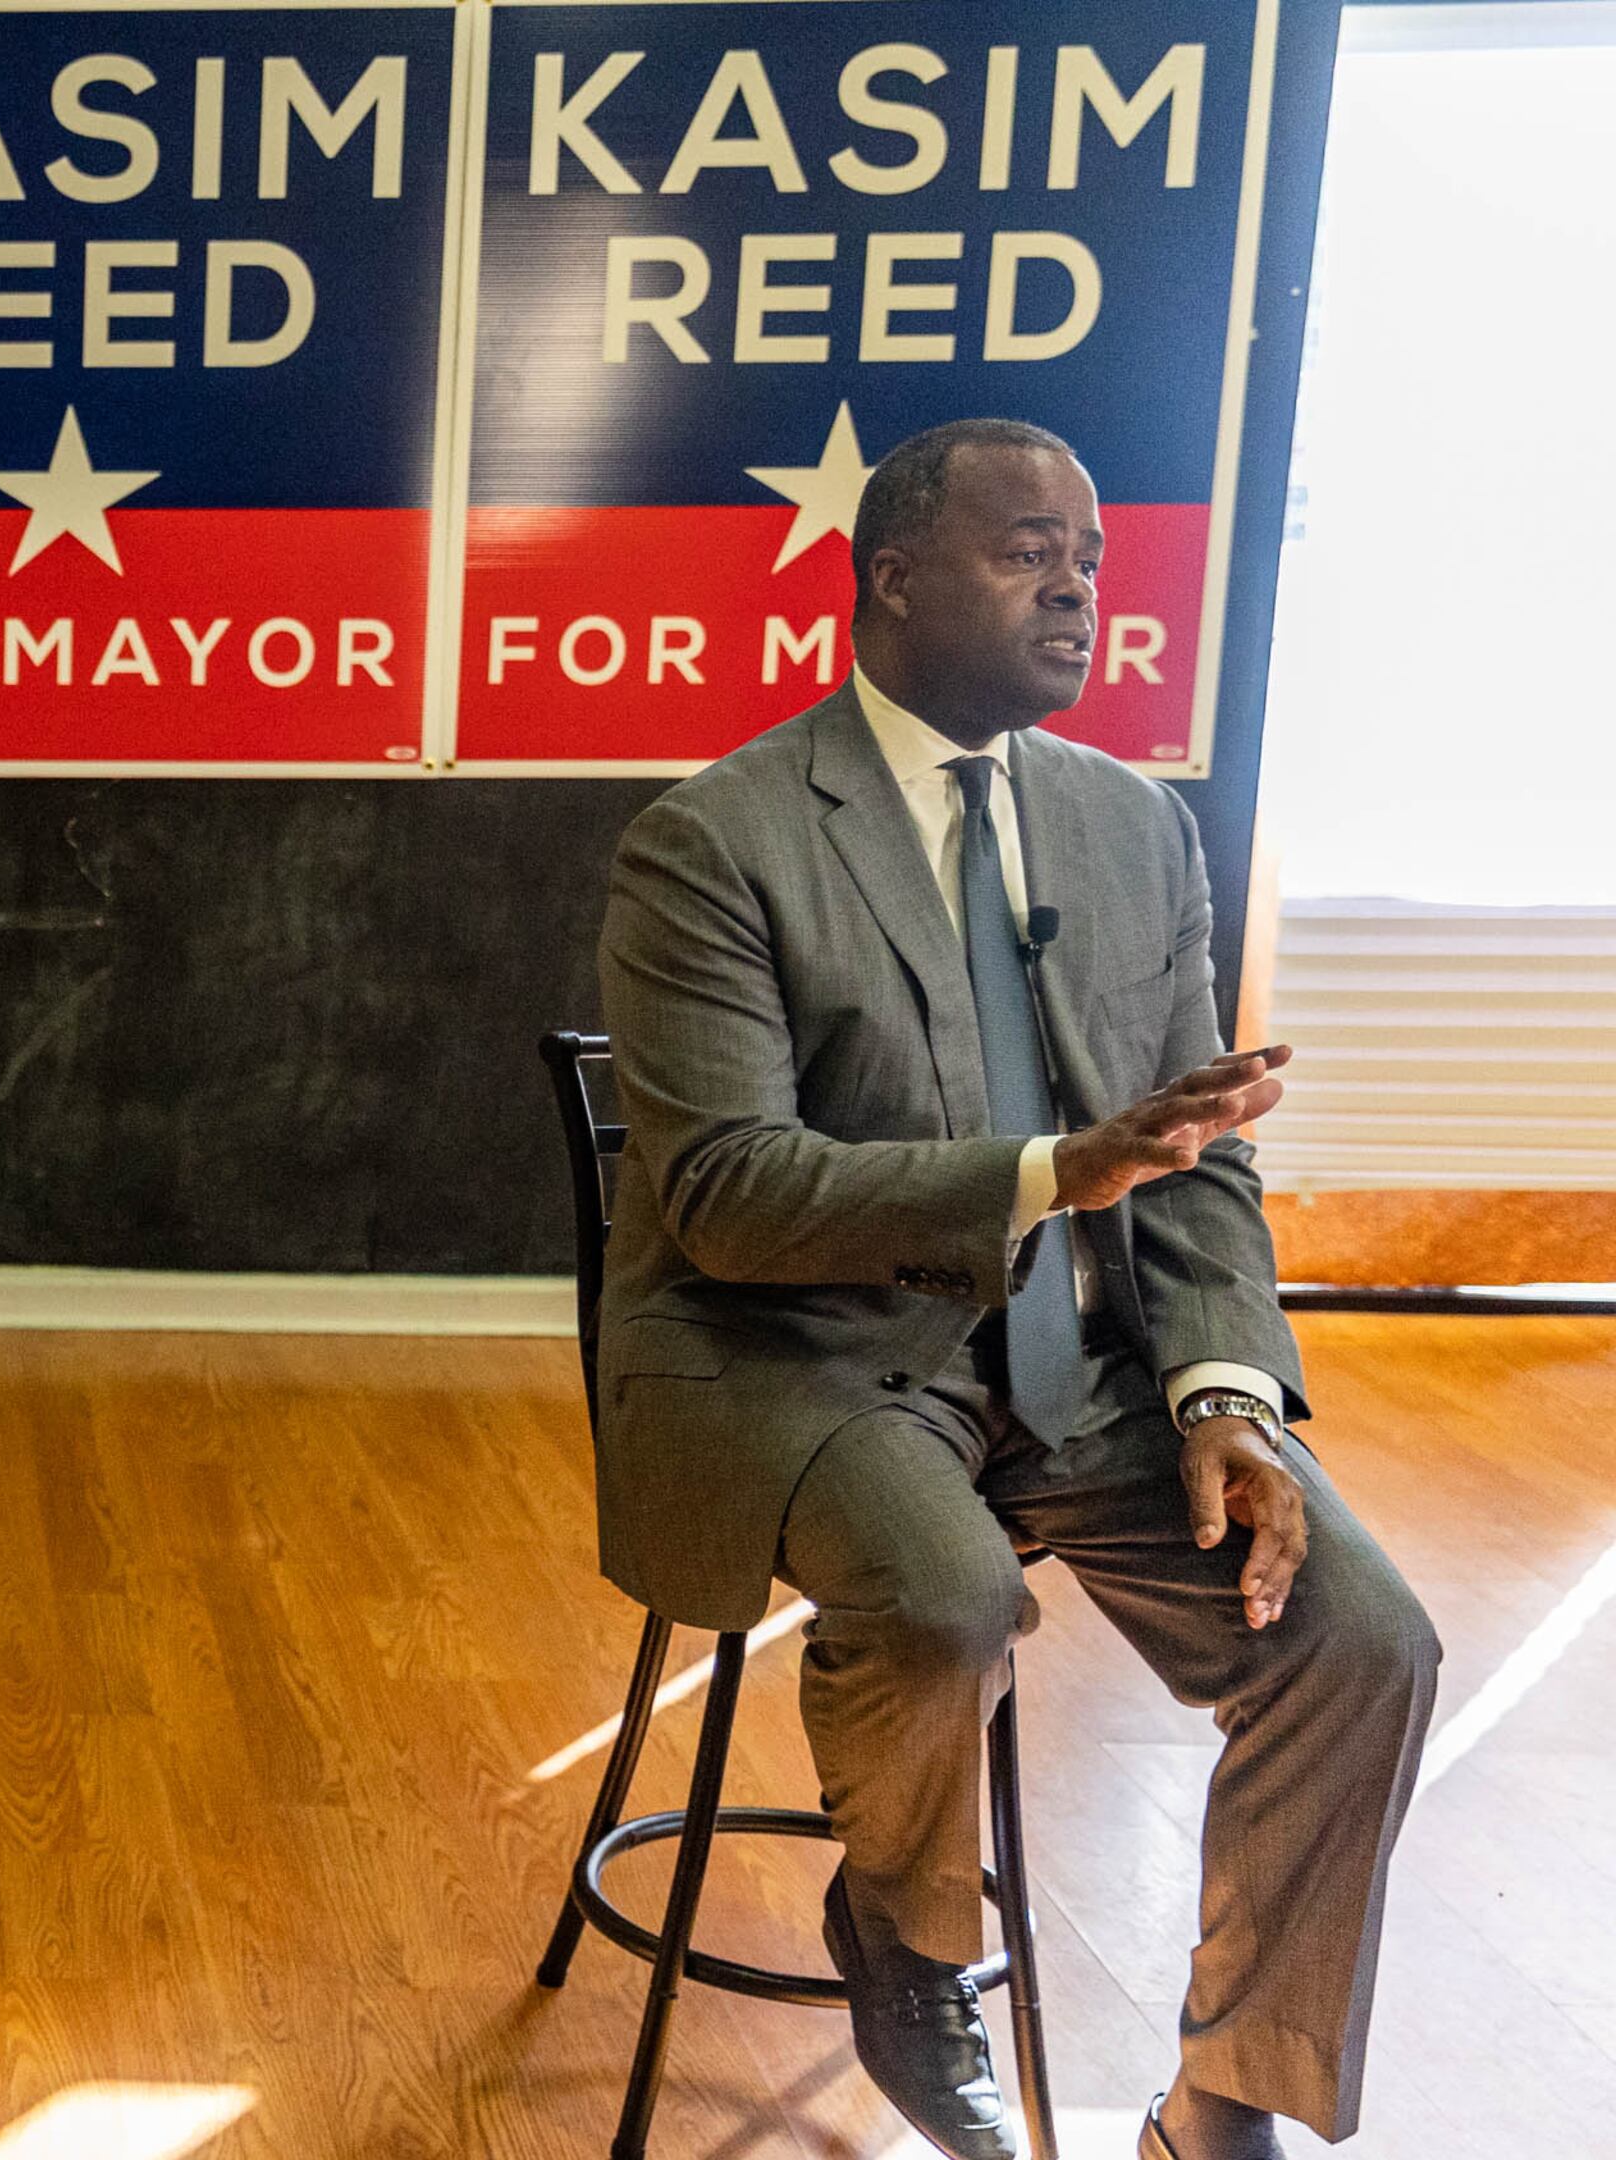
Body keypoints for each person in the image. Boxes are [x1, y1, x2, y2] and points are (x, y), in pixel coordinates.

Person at [593, 418, 1440, 2160]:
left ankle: (1223, 2103)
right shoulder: (716, 840)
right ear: (894, 578)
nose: (1076, 588)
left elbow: (1196, 1161)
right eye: (1028, 550)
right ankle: (905, 1942)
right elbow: (727, 1195)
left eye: (1091, 559)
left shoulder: (1136, 831)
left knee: (1366, 1641)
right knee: (946, 1597)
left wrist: (1225, 1394)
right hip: (802, 1352)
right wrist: (1059, 1172)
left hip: (1086, 1368)